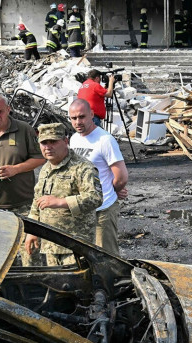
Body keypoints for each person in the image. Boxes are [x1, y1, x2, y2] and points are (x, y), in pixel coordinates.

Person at [25, 123, 102, 265]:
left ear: (65, 142)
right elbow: (37, 201)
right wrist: (32, 231)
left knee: (77, 286)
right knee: (56, 286)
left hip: (75, 246)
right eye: (44, 143)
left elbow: (95, 197)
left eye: (53, 142)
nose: (48, 147)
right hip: (51, 244)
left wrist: (61, 202)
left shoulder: (82, 167)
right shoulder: (46, 168)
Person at [68, 99, 128, 256]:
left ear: (92, 115)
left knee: (106, 256)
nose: (78, 122)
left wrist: (114, 190)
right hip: (81, 209)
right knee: (83, 255)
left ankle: (112, 281)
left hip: (102, 210)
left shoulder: (105, 140)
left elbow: (121, 176)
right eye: (73, 118)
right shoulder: (74, 139)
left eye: (82, 117)